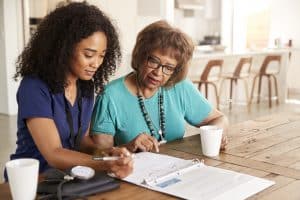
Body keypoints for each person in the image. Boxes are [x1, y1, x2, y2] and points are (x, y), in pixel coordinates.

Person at [5, 2, 133, 181]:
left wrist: (108, 154)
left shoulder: (86, 86)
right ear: (63, 48)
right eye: (88, 54)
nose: (96, 63)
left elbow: (82, 141)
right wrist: (104, 163)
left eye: (102, 55)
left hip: (68, 178)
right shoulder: (34, 87)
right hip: (33, 181)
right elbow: (54, 153)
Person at [91, 20, 228, 153]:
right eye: (154, 61)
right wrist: (128, 147)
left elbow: (219, 119)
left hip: (178, 168)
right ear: (140, 56)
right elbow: (99, 155)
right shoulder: (110, 96)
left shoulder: (180, 86)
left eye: (168, 67)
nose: (158, 72)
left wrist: (217, 134)